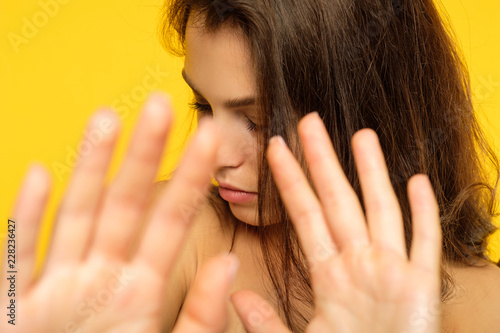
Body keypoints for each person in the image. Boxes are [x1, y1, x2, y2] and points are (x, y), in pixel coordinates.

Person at [2, 1, 500, 333]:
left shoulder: (485, 305)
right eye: (202, 106)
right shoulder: (180, 228)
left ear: (373, 112)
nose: (214, 154)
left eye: (259, 122)